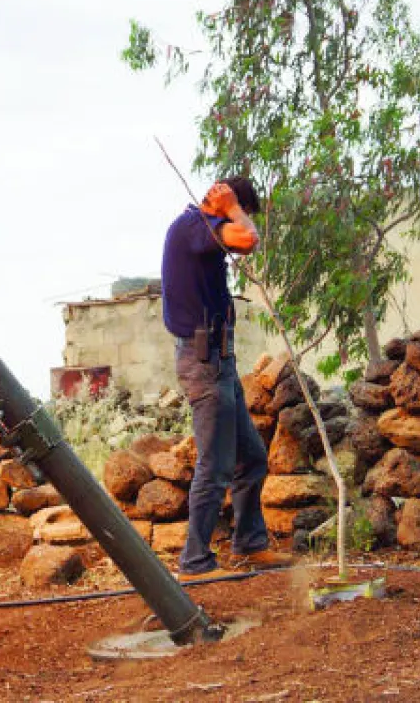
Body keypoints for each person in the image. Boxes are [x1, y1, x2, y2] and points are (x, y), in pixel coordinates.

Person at [160, 176, 293, 579]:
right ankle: (195, 561)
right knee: (214, 466)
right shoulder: (195, 227)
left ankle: (250, 543)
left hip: (219, 358)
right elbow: (248, 240)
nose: (245, 219)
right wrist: (233, 206)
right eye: (245, 211)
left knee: (250, 457)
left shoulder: (199, 230)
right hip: (204, 363)